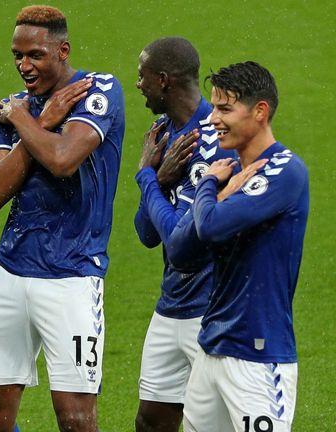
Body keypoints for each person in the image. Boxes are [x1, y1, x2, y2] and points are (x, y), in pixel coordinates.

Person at [0, 5, 125, 431]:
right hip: (11, 270)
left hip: (72, 275)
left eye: (35, 55)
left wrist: (23, 120)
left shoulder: (98, 91)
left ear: (63, 50)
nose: (24, 66)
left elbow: (63, 159)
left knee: (75, 416)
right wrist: (35, 119)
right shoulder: (13, 109)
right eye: (17, 55)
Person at [166, 62, 308, 431]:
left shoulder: (284, 171)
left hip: (258, 356)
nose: (212, 119)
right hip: (211, 348)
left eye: (224, 109)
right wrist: (217, 189)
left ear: (260, 111)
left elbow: (210, 227)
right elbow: (180, 253)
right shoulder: (225, 169)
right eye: (213, 107)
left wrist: (210, 188)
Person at [132, 37, 235, 431]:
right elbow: (145, 233)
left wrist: (146, 176)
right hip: (170, 305)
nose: (137, 85)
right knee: (151, 421)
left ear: (163, 80)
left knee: (211, 425)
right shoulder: (161, 132)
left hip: (209, 309)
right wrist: (156, 178)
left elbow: (179, 242)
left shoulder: (211, 140)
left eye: (142, 77)